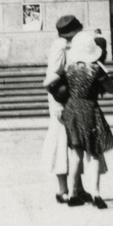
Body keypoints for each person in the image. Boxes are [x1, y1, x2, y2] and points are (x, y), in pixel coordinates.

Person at [62, 28, 113, 208]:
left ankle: (72, 194)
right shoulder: (95, 70)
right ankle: (96, 194)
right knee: (94, 152)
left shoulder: (69, 68)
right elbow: (111, 89)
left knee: (75, 152)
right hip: (89, 108)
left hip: (71, 109)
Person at [42, 14, 83, 204]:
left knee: (75, 143)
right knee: (62, 143)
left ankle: (77, 187)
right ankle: (62, 189)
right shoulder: (60, 46)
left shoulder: (67, 44)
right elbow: (54, 73)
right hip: (61, 100)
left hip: (69, 98)